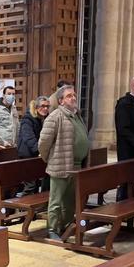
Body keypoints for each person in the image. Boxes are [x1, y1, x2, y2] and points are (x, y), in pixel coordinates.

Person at [39, 85, 88, 240]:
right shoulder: (55, 116)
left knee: (70, 200)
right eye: (68, 96)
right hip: (60, 164)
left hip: (77, 165)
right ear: (60, 100)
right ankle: (52, 229)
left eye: (74, 95)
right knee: (56, 200)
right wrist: (50, 159)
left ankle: (65, 225)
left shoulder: (77, 115)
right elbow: (44, 142)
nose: (73, 98)